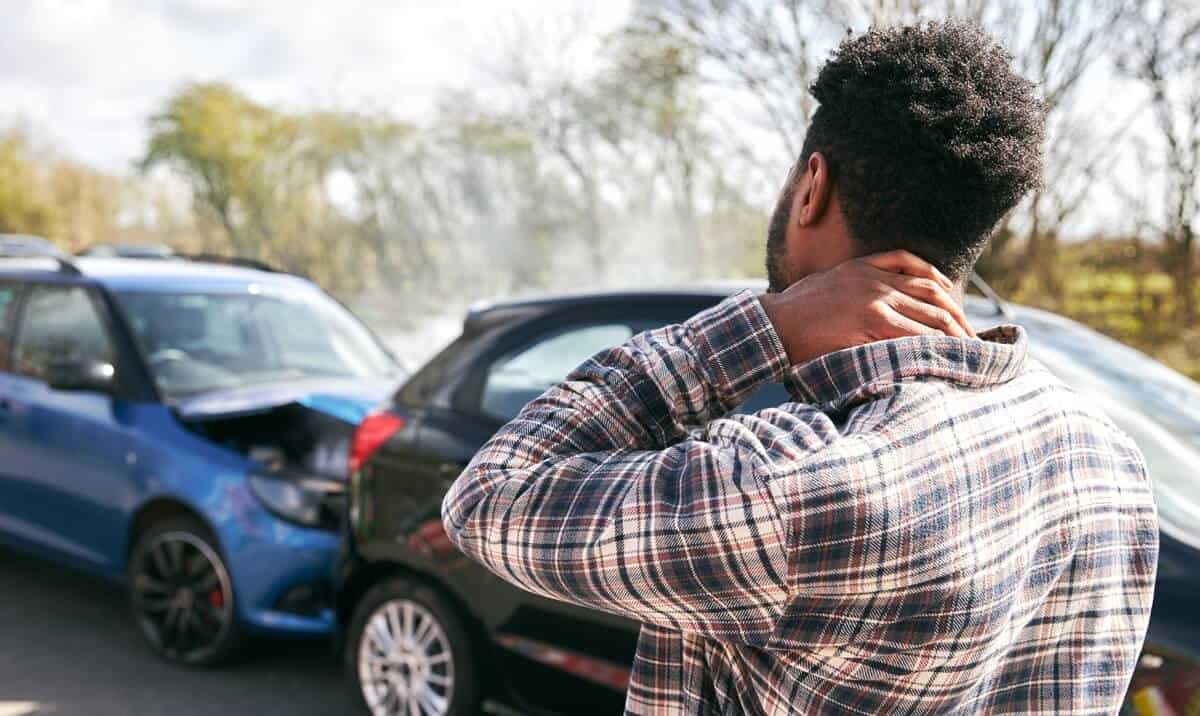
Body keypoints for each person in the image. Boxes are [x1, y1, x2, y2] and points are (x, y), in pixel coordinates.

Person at [442, 21, 1158, 715]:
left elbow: (489, 498)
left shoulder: (790, 485)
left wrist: (764, 326)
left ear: (812, 185)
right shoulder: (1107, 458)